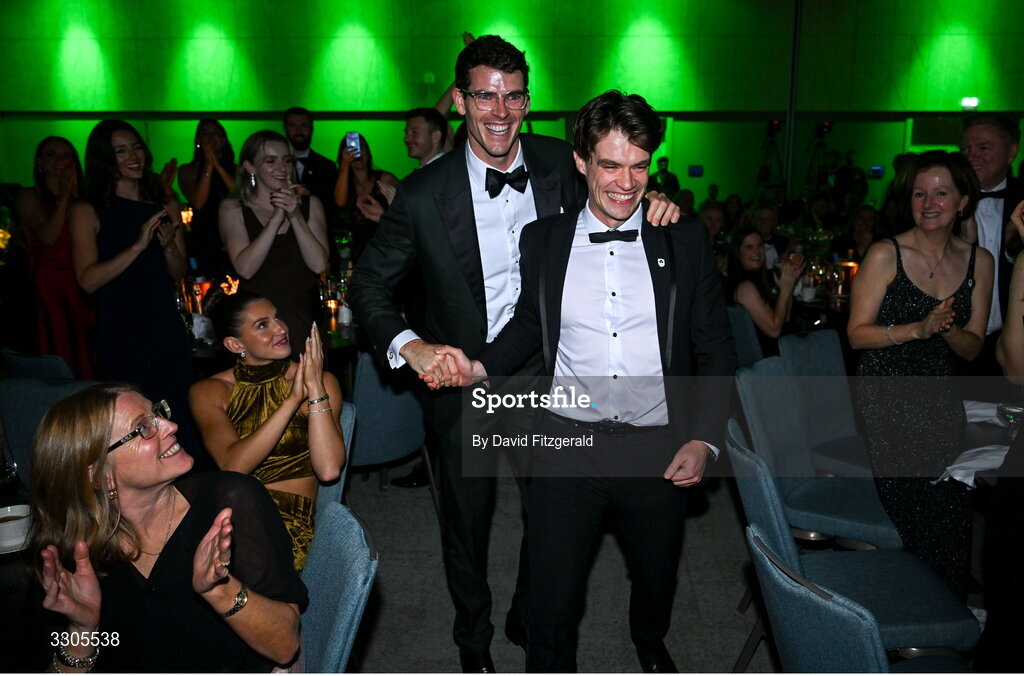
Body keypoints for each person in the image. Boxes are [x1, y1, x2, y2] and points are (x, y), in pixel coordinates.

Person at [348, 35, 679, 672]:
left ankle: (531, 615)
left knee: (552, 518)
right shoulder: (422, 195)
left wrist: (659, 203)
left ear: (527, 101)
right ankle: (473, 645)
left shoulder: (564, 164)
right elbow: (367, 284)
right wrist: (409, 345)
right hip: (460, 381)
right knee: (466, 530)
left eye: (514, 96)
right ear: (459, 100)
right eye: (485, 95)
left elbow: (622, 192)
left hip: (545, 377)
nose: (500, 111)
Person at [426, 90, 735, 672]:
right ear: (581, 162)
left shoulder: (683, 238)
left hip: (657, 444)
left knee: (656, 574)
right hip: (567, 442)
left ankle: (649, 638)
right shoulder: (543, 241)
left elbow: (715, 346)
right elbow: (527, 326)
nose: (626, 182)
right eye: (611, 165)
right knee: (551, 596)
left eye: (639, 165)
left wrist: (704, 437)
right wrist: (481, 365)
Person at [28, 383, 306, 672]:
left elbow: (285, 646)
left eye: (158, 413)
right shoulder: (69, 560)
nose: (171, 426)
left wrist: (221, 591)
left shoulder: (229, 501)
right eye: (143, 428)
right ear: (99, 474)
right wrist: (83, 631)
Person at [848, 150, 993, 598]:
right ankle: (908, 599)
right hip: (885, 393)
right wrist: (918, 328)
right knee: (929, 486)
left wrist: (944, 330)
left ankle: (940, 601)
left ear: (963, 201)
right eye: (919, 193)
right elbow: (856, 335)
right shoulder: (884, 253)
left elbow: (972, 347)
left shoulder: (980, 262)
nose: (929, 202)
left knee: (959, 488)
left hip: (943, 395)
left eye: (941, 193)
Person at [69, 120, 202, 467]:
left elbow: (179, 273)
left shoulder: (163, 203)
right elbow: (88, 280)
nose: (133, 156)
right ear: (105, 159)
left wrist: (169, 246)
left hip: (163, 324)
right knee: (128, 421)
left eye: (137, 147)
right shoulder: (87, 210)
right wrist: (138, 246)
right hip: (121, 328)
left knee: (176, 410)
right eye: (121, 150)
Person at [189, 290, 345, 571]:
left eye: (277, 318)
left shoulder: (320, 381)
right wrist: (291, 402)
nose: (280, 328)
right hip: (227, 514)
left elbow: (329, 469)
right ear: (235, 344)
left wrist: (315, 387)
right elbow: (233, 465)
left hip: (285, 528)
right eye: (263, 325)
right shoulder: (210, 391)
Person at [219, 130, 329, 359]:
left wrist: (295, 215)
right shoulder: (232, 208)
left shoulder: (311, 204)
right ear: (250, 166)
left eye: (286, 160)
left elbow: (319, 264)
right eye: (270, 161)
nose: (282, 168)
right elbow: (245, 268)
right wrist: (276, 218)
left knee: (312, 388)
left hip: (303, 316)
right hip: (259, 325)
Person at [14, 136, 95, 378]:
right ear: (40, 162)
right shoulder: (29, 196)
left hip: (84, 281)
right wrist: (63, 197)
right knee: (59, 348)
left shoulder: (86, 198)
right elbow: (48, 236)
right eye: (51, 155)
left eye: (66, 155)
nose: (59, 161)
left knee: (89, 351)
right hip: (50, 285)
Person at [958, 114, 1023, 379]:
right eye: (965, 149)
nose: (971, 156)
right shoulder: (939, 203)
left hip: (1014, 350)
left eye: (984, 148)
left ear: (1011, 152)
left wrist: (1013, 248)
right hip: (955, 346)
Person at [727, 225, 804, 356]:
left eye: (760, 245)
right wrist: (785, 290)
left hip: (779, 350)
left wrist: (789, 283)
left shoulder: (759, 279)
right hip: (766, 361)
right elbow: (774, 330)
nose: (757, 252)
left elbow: (785, 318)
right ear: (738, 253)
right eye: (749, 247)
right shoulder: (745, 287)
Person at [177, 119, 236, 279]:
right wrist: (209, 165)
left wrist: (218, 166)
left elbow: (240, 195)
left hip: (234, 236)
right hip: (205, 241)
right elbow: (198, 202)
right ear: (198, 141)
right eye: (205, 134)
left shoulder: (238, 170)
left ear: (224, 139)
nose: (210, 138)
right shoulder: (187, 170)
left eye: (215, 134)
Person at [333, 133, 399, 255]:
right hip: (351, 250)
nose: (357, 153)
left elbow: (404, 210)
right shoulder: (341, 183)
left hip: (383, 246)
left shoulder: (384, 179)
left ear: (367, 152)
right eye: (351, 149)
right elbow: (340, 202)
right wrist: (345, 165)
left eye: (360, 148)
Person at [283, 106, 338, 227]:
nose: (298, 131)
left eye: (304, 126)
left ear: (311, 129)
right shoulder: (274, 165)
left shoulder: (327, 166)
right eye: (293, 126)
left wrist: (309, 197)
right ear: (285, 129)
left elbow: (334, 208)